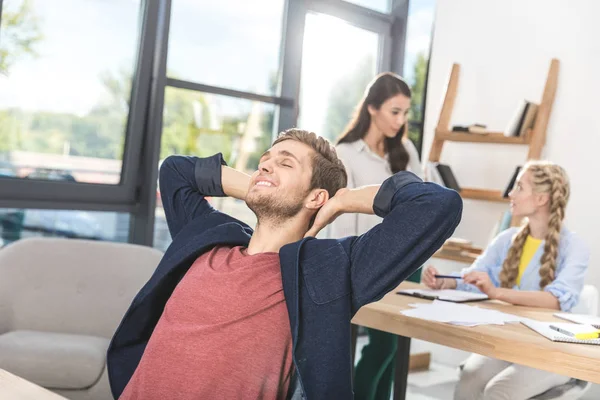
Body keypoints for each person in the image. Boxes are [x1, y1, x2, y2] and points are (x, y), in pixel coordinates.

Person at [107, 128, 462, 400]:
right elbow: (175, 171)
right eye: (266, 159)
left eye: (285, 162)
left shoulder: (329, 270)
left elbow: (438, 205)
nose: (265, 164)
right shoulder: (208, 237)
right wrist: (260, 184)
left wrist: (344, 200)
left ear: (316, 196)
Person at [422, 160, 589, 400]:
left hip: (554, 350)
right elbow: (477, 273)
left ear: (541, 199)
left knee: (498, 391)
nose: (511, 193)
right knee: (469, 377)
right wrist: (445, 281)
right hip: (511, 342)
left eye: (519, 187)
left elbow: (556, 300)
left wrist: (497, 293)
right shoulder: (507, 239)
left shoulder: (574, 247)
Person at [331, 72, 423, 400]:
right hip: (372, 258)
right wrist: (351, 265)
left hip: (408, 258)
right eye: (394, 111)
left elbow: (421, 205)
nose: (401, 120)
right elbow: (344, 214)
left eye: (404, 113)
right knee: (382, 345)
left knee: (395, 348)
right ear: (372, 108)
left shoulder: (406, 150)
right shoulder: (346, 153)